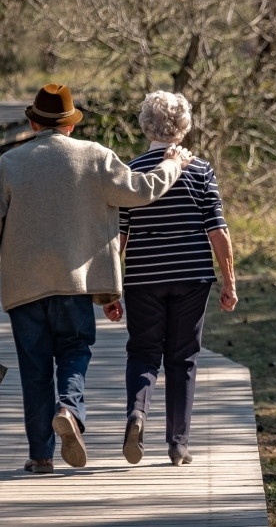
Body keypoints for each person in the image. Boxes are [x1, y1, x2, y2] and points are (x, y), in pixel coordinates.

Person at [0, 83, 193, 475]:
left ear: (33, 122)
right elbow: (141, 190)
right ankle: (69, 407)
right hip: (76, 284)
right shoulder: (95, 157)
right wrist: (173, 164)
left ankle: (41, 456)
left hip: (24, 288)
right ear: (70, 126)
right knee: (74, 351)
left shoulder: (7, 166)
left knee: (34, 368)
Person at [104, 90, 238, 467]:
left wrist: (110, 289)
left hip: (143, 277)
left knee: (144, 352)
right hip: (192, 276)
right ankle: (178, 444)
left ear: (146, 125)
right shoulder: (200, 170)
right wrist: (229, 282)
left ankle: (137, 414)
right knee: (183, 358)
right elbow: (218, 231)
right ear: (184, 126)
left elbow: (119, 238)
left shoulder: (131, 173)